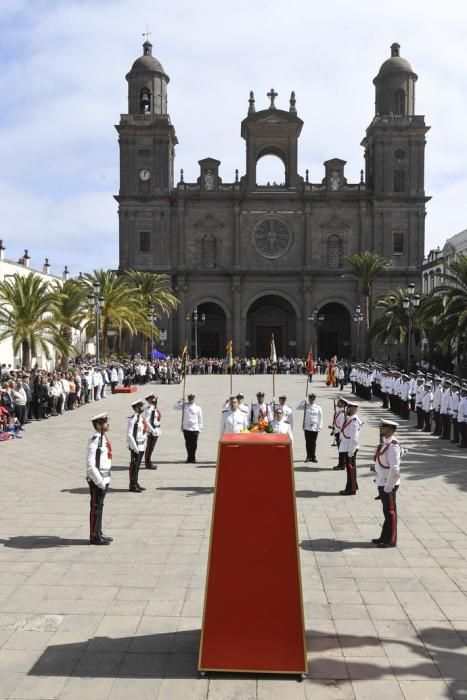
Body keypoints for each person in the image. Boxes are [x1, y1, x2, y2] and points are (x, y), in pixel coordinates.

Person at [372, 419, 401, 548]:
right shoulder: (386, 443)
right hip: (383, 482)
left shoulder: (393, 445)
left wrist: (389, 487)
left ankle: (391, 540)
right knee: (386, 511)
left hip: (388, 484)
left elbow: (395, 469)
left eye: (383, 427)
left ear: (390, 429)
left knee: (390, 512)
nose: (381, 429)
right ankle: (384, 536)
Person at [86, 412, 113, 545]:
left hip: (103, 478)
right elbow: (90, 465)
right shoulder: (95, 439)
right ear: (98, 425)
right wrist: (99, 481)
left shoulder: (102, 437)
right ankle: (94, 536)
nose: (108, 424)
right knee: (96, 507)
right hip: (98, 480)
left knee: (100, 507)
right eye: (105, 422)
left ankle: (98, 532)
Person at [337, 400, 361, 495]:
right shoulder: (350, 418)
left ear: (353, 409)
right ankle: (351, 486)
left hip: (350, 448)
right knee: (350, 469)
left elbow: (354, 438)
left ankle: (351, 489)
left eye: (349, 408)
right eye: (347, 407)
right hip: (346, 446)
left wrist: (351, 451)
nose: (347, 409)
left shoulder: (354, 420)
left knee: (351, 469)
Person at [175, 393, 203, 463]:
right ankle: (189, 457)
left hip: (195, 428)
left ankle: (193, 457)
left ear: (194, 399)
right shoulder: (185, 405)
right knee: (187, 443)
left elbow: (200, 418)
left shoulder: (198, 408)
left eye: (192, 399)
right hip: (186, 428)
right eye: (189, 399)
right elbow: (175, 407)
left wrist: (200, 428)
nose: (190, 400)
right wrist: (180, 401)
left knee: (194, 444)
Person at [127, 399, 147, 492]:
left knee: (137, 466)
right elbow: (130, 435)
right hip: (136, 447)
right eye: (141, 406)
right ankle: (132, 485)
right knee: (134, 466)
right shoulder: (133, 419)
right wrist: (135, 447)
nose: (143, 407)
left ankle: (135, 482)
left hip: (141, 445)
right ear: (136, 408)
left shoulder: (140, 418)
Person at [297, 393, 323, 463]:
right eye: (310, 399)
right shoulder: (306, 406)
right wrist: (303, 401)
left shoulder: (318, 407)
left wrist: (319, 427)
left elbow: (320, 418)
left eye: (313, 399)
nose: (311, 400)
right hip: (307, 427)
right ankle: (308, 456)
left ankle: (313, 456)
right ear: (308, 399)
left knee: (313, 442)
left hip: (315, 427)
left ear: (314, 399)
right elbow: (298, 408)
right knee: (308, 442)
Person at [144, 393, 161, 469]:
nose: (155, 400)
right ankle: (148, 463)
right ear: (150, 400)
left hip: (156, 429)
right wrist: (152, 430)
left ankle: (148, 462)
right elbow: (146, 421)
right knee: (149, 448)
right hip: (152, 431)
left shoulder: (154, 408)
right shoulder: (150, 409)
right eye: (153, 398)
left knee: (151, 448)